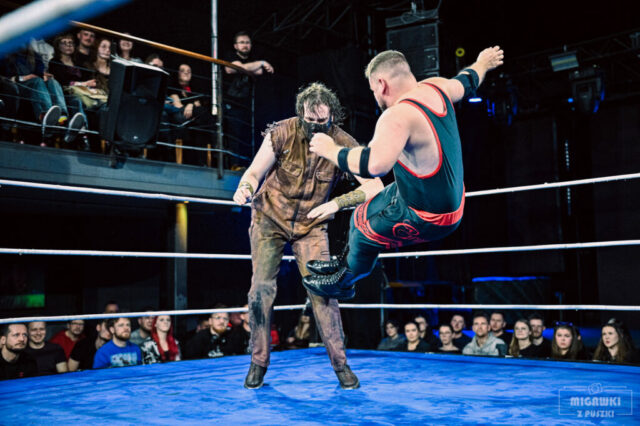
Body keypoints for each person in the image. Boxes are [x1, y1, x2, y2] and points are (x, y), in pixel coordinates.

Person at [302, 46, 505, 299]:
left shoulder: (397, 116)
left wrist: (331, 150)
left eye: (373, 90)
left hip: (432, 215)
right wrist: (483, 62)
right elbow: (467, 80)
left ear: (381, 83)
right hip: (427, 192)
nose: (375, 96)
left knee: (365, 236)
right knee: (360, 214)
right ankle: (343, 264)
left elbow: (373, 165)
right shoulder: (436, 86)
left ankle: (344, 283)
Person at [232, 82, 384, 390]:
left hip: (312, 224)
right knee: (260, 289)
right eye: (309, 121)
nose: (315, 127)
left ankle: (341, 365)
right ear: (301, 114)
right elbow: (254, 172)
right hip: (269, 217)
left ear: (332, 116)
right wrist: (244, 188)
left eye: (321, 121)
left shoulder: (342, 142)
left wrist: (337, 203)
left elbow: (375, 186)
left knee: (323, 292)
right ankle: (258, 362)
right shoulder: (282, 132)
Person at [223, 31, 274, 168]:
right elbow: (231, 69)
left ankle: (242, 164)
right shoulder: (230, 55)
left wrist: (245, 67)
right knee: (231, 133)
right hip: (228, 101)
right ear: (235, 46)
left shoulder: (252, 58)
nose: (245, 45)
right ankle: (233, 164)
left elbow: (259, 71)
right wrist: (261, 62)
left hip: (245, 104)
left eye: (247, 42)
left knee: (244, 134)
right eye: (242, 42)